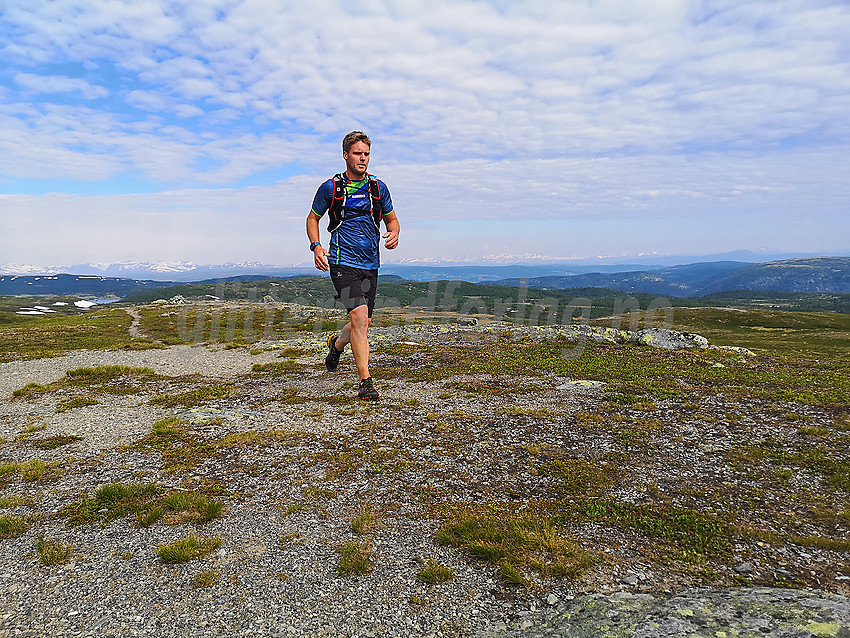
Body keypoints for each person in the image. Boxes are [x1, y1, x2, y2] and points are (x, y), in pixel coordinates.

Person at [306, 131, 399, 400]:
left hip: (370, 264)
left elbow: (392, 220)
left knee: (363, 322)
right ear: (346, 155)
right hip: (340, 263)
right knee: (359, 318)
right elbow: (312, 218)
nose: (363, 159)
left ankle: (336, 345)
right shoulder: (330, 188)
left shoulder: (378, 188)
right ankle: (365, 381)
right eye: (358, 153)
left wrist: (394, 233)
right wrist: (316, 246)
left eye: (367, 154)